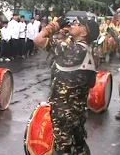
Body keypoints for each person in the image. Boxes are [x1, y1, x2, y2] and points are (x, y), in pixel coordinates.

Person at [34, 16, 99, 155]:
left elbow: (38, 40)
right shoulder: (88, 51)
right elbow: (92, 83)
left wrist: (54, 25)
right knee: (79, 145)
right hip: (78, 111)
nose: (74, 24)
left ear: (84, 33)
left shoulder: (69, 48)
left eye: (79, 24)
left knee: (64, 149)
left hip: (63, 112)